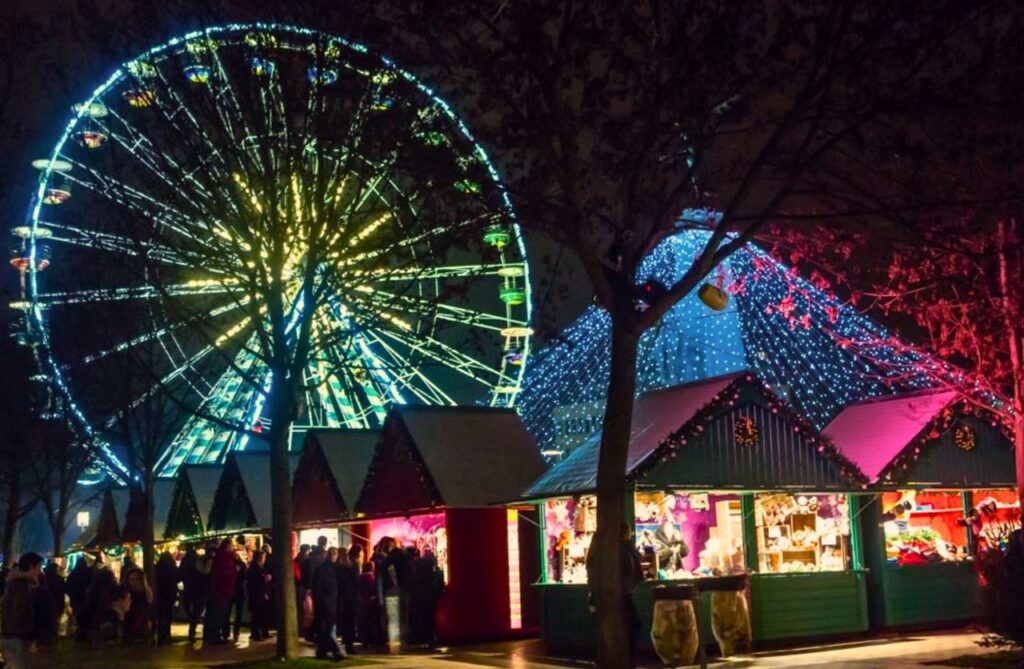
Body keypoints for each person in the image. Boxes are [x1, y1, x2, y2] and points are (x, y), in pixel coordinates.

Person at [586, 522, 645, 667]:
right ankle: (624, 661)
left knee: (613, 631)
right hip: (618, 596)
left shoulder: (599, 551)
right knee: (631, 627)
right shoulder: (623, 550)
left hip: (602, 597)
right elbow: (637, 574)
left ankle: (614, 661)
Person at [0, 553, 51, 668]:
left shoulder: (22, 585)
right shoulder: (21, 587)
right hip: (17, 639)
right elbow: (19, 614)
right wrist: (31, 637)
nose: (40, 571)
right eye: (39, 567)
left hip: (14, 638)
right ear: (31, 567)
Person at [312, 547, 344, 660]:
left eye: (334, 554)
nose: (333, 556)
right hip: (327, 603)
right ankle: (336, 651)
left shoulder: (333, 568)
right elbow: (319, 587)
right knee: (328, 628)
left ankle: (322, 651)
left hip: (331, 602)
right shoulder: (324, 569)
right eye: (331, 554)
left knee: (327, 628)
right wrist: (324, 601)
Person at [204, 537, 236, 645]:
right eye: (232, 545)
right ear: (227, 546)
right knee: (218, 614)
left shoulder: (221, 557)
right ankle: (214, 636)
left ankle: (213, 635)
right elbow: (224, 575)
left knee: (217, 613)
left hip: (221, 590)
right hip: (222, 591)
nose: (233, 547)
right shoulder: (224, 558)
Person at [246, 549, 271, 641]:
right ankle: (256, 634)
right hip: (258, 595)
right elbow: (256, 583)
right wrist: (265, 579)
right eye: (264, 557)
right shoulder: (255, 568)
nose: (265, 559)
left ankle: (261, 632)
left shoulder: (257, 567)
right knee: (257, 615)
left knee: (260, 614)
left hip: (258, 594)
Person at [357, 561, 383, 649]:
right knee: (372, 621)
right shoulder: (371, 577)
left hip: (363, 602)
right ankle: (373, 639)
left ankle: (365, 639)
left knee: (364, 622)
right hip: (371, 602)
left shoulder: (360, 577)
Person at [224, 544, 247, 642]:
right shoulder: (242, 565)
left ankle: (226, 632)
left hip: (231, 591)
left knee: (227, 613)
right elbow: (245, 577)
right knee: (238, 614)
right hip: (239, 591)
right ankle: (235, 633)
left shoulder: (229, 565)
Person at [154, 551, 179, 644]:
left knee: (160, 613)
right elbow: (178, 576)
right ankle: (167, 632)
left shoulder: (157, 567)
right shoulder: (172, 566)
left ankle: (161, 631)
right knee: (168, 613)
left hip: (160, 593)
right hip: (170, 592)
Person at [66, 556, 95, 634]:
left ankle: (80, 631)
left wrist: (73, 595)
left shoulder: (73, 574)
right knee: (87, 616)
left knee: (79, 616)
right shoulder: (89, 572)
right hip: (87, 600)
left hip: (76, 600)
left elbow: (68, 587)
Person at [122, 566, 152, 641]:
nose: (135, 582)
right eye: (132, 580)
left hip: (142, 631)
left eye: (137, 579)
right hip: (129, 631)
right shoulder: (126, 594)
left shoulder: (146, 594)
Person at [43, 558, 66, 632]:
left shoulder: (44, 579)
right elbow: (62, 591)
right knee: (55, 619)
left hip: (46, 603)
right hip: (57, 602)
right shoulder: (59, 579)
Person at [294, 544, 310, 635]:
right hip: (302, 586)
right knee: (302, 608)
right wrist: (308, 587)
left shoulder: (296, 559)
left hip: (297, 585)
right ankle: (301, 629)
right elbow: (307, 575)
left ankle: (298, 628)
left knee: (299, 608)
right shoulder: (306, 560)